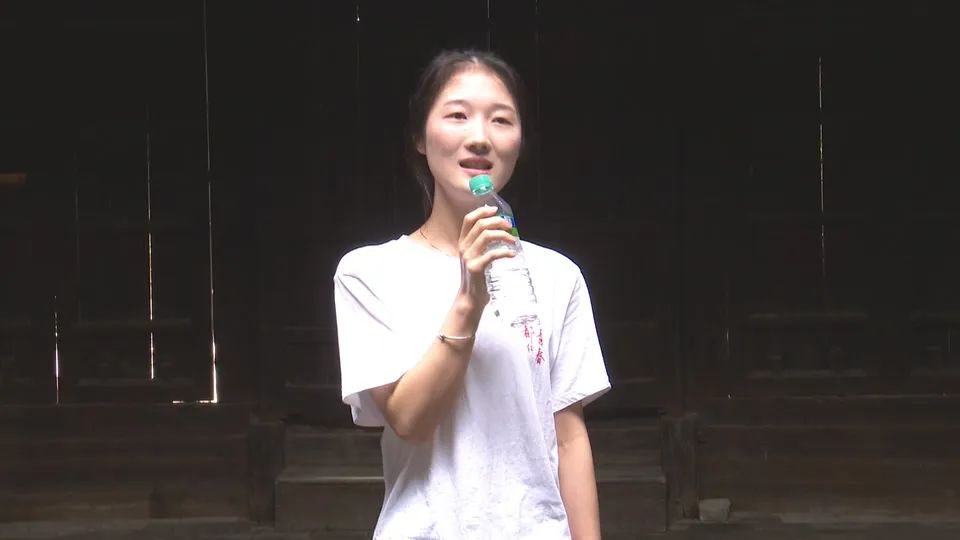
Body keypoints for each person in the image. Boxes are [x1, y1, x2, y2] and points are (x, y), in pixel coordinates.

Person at [334, 49, 610, 539]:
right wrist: (468, 301)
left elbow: (568, 439)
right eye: (457, 115)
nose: (480, 136)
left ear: (519, 143)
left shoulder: (557, 276)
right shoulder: (368, 273)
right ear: (420, 138)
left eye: (501, 120)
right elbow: (409, 421)